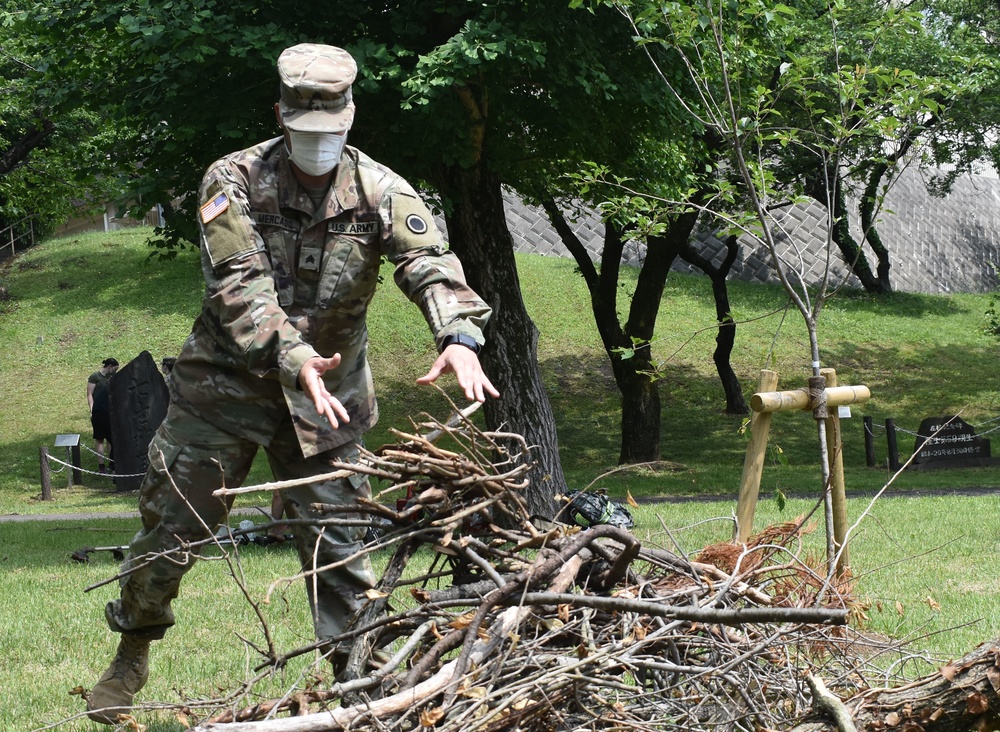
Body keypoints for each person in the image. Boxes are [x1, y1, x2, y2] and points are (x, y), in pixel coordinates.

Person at [86, 43, 498, 725]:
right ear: (281, 115)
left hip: (329, 402)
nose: (320, 148)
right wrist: (296, 354)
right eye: (306, 134)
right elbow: (239, 285)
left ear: (351, 119)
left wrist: (458, 335)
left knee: (341, 548)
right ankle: (133, 646)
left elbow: (430, 263)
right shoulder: (233, 179)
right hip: (223, 389)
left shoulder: (382, 189)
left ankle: (360, 688)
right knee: (171, 533)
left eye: (332, 135)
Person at [86, 358, 118, 474]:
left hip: (109, 412)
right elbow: (90, 394)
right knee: (100, 439)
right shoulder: (95, 377)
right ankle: (101, 465)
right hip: (98, 411)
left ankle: (112, 462)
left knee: (111, 439)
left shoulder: (113, 378)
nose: (115, 371)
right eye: (115, 369)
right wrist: (92, 409)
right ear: (109, 366)